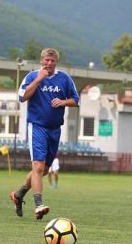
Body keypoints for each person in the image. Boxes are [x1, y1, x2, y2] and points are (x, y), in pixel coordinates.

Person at [10, 48, 80, 220]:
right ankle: (38, 205)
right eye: (46, 60)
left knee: (44, 170)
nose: (49, 63)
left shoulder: (64, 78)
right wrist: (38, 80)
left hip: (55, 129)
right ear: (41, 60)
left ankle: (19, 195)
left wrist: (63, 102)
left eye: (52, 61)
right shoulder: (32, 76)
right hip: (37, 127)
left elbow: (75, 100)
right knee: (38, 167)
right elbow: (22, 97)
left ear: (56, 61)